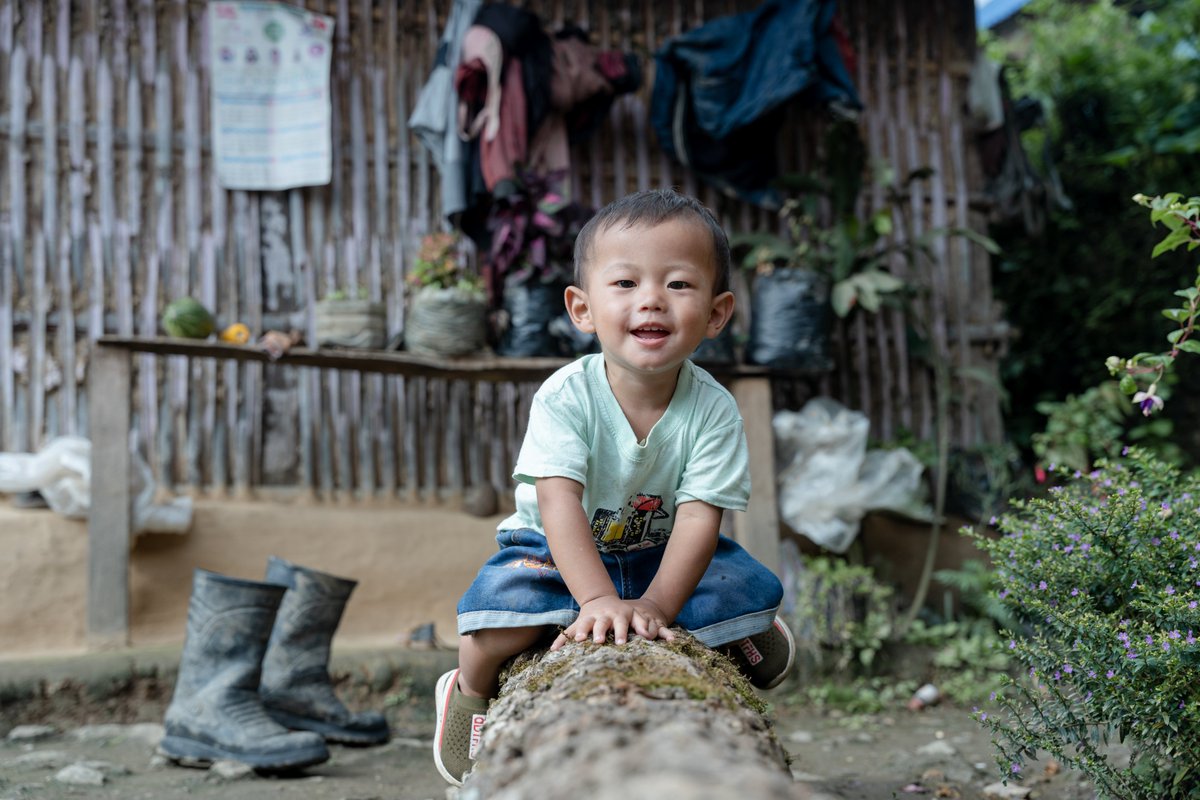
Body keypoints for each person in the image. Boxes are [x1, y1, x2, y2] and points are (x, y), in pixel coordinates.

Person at [432, 188, 794, 786]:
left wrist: (651, 607)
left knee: (740, 585)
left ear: (716, 313)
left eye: (678, 284)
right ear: (582, 309)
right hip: (551, 545)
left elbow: (701, 520)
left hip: (660, 547)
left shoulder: (714, 410)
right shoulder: (566, 396)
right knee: (507, 616)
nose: (651, 300)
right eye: (625, 284)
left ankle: (749, 627)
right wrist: (599, 602)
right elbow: (557, 502)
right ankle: (467, 687)